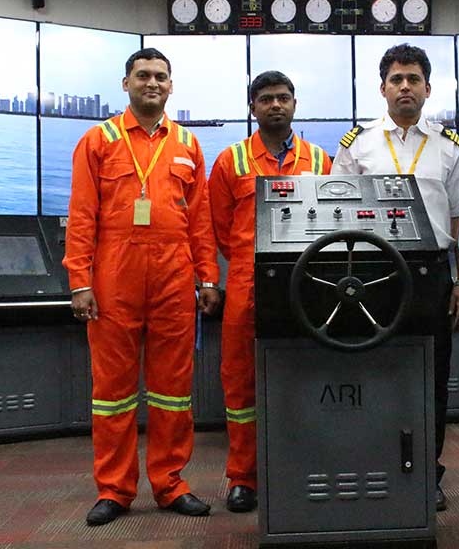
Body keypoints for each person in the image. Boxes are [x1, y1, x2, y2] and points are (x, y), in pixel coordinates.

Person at [63, 47, 221, 526]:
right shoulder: (98, 140)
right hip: (114, 283)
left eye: (161, 77)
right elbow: (81, 217)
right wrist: (79, 282)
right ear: (126, 82)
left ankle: (171, 484)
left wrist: (207, 276)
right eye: (143, 75)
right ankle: (114, 489)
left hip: (174, 283)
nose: (152, 83)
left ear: (171, 87)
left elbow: (200, 221)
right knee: (112, 393)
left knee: (174, 392)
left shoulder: (188, 145)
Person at [331, 44, 459, 512]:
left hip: (431, 275)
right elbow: (337, 217)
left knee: (432, 377)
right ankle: (373, 464)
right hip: (371, 278)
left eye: (413, 78)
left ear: (428, 89)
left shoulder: (450, 147)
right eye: (396, 79)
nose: (405, 86)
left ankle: (429, 473)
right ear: (383, 88)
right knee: (371, 375)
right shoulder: (359, 145)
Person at [208, 70, 332, 513]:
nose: (275, 105)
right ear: (252, 108)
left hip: (307, 283)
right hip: (246, 282)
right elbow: (219, 229)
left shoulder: (320, 161)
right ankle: (243, 477)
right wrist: (245, 262)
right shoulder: (230, 161)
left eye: (282, 98)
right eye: (265, 99)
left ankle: (300, 469)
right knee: (241, 383)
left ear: (295, 104)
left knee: (304, 377)